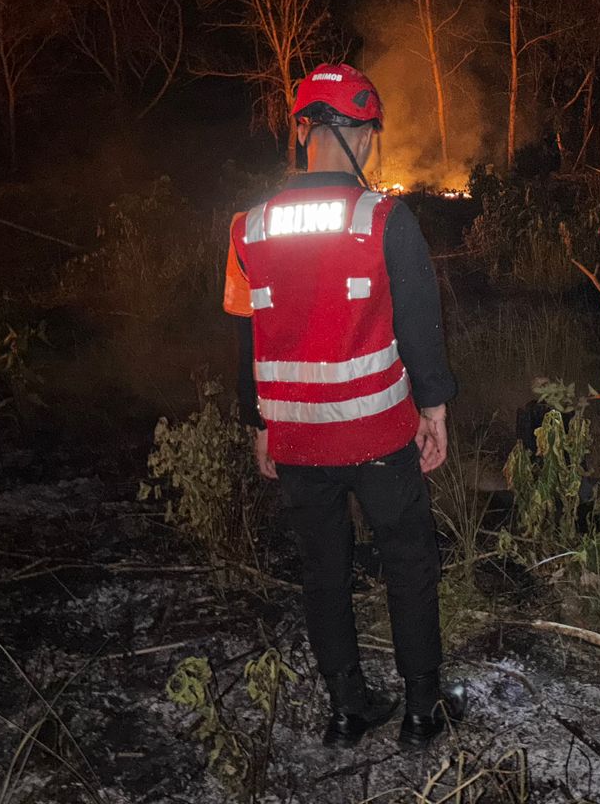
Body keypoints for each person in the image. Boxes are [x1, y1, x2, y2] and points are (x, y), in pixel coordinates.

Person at [222, 62, 465, 748]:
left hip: (297, 438)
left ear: (302, 128)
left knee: (323, 571)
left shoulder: (250, 227)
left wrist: (258, 425)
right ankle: (421, 712)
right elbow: (421, 327)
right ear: (364, 134)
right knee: (408, 562)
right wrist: (435, 409)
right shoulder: (385, 216)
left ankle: (345, 709)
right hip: (378, 433)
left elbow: (246, 334)